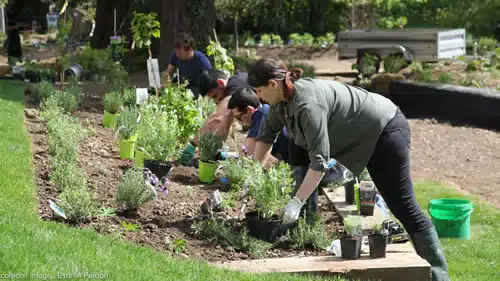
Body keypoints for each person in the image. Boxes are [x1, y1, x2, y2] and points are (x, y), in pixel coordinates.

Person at [247, 58, 449, 281]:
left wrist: (297, 202)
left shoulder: (307, 105)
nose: (258, 97)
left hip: (385, 130)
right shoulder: (281, 103)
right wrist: (254, 173)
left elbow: (319, 162)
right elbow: (267, 135)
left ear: (273, 84)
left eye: (259, 90)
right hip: (363, 134)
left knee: (404, 207)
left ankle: (439, 276)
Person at [227, 87, 348, 214]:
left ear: (249, 110)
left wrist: (241, 173)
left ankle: (306, 221)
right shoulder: (265, 112)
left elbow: (248, 152)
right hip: (298, 156)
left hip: (301, 158)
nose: (239, 121)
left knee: (301, 200)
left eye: (238, 117)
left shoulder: (261, 115)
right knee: (302, 195)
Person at [176, 69, 250, 166]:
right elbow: (225, 123)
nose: (217, 101)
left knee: (250, 159)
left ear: (220, 83)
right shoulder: (236, 83)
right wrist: (215, 150)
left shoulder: (234, 87)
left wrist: (193, 145)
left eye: (215, 95)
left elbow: (218, 119)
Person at [163, 33, 212, 99]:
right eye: (176, 51)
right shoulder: (175, 55)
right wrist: (164, 87)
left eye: (180, 52)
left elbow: (209, 80)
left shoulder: (201, 60)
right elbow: (169, 73)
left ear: (189, 50)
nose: (177, 54)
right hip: (181, 84)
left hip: (195, 87)